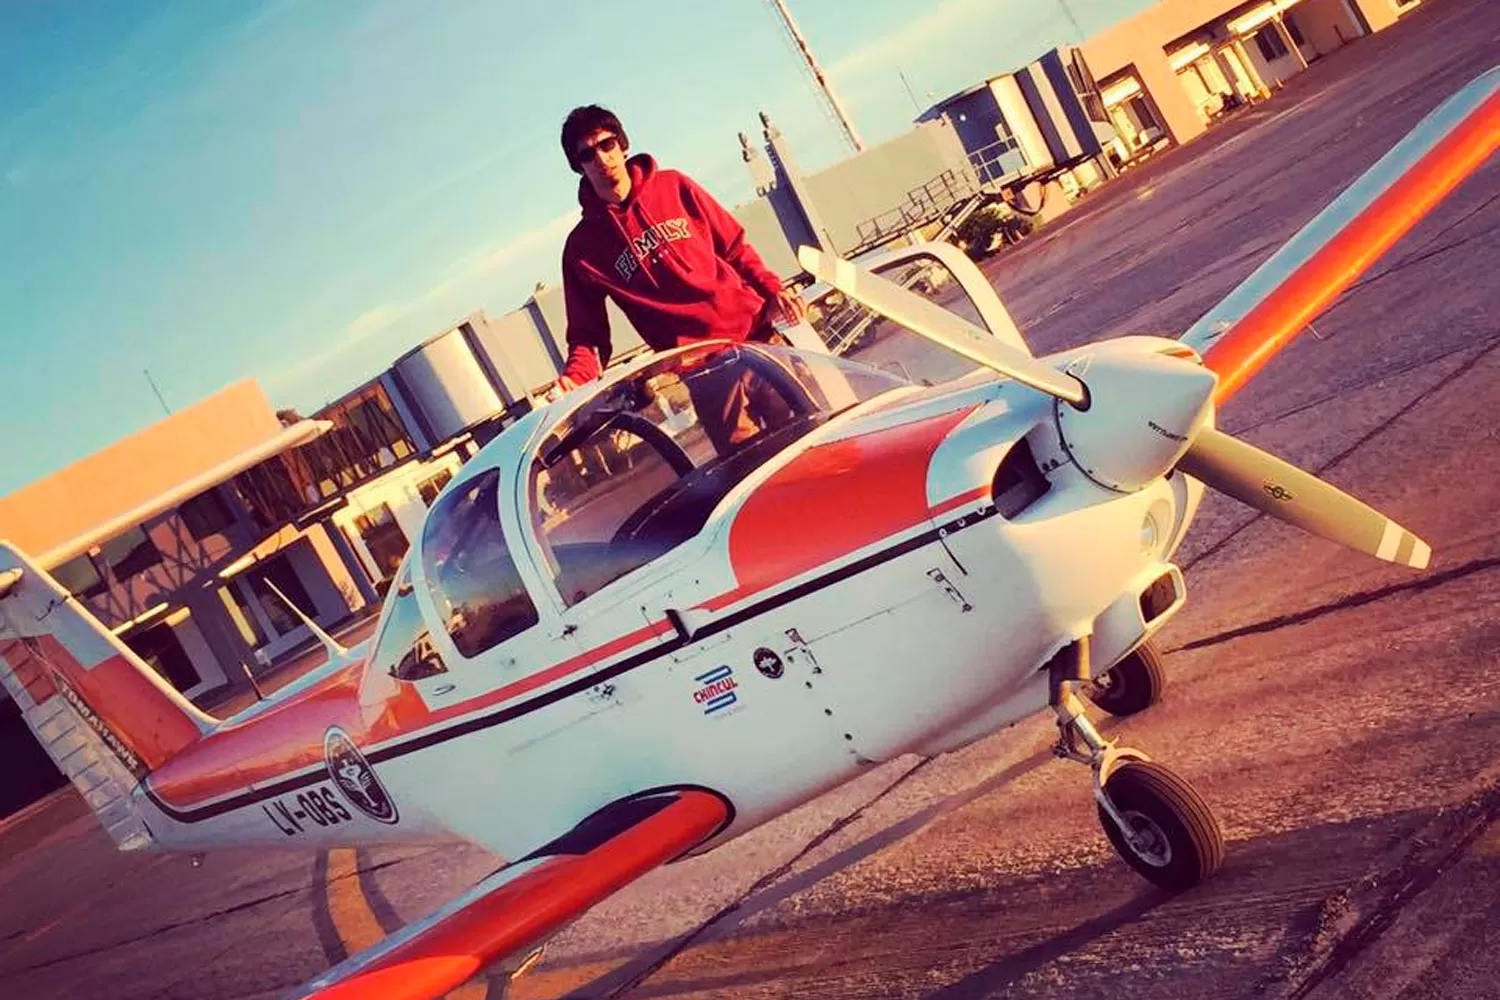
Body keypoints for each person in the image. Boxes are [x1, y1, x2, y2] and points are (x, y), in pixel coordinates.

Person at [550, 105, 807, 409]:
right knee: (750, 454)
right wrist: (574, 380)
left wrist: (774, 291)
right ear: (578, 166)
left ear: (622, 144)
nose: (601, 159)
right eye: (587, 154)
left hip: (758, 339)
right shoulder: (582, 249)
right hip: (703, 372)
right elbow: (587, 335)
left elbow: (735, 248)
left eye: (607, 144)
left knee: (822, 441)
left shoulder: (674, 185)